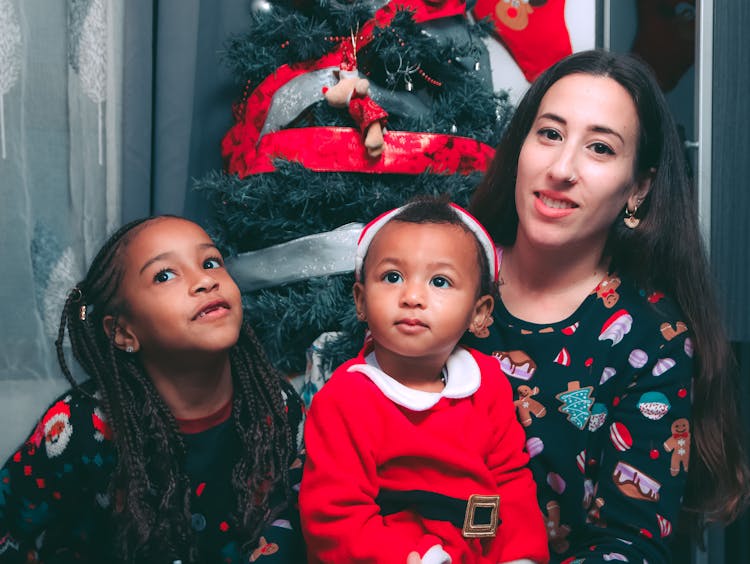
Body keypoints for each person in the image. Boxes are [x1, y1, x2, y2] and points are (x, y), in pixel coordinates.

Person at [464, 49, 750, 562]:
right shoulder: (445, 274)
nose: (561, 168)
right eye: (549, 134)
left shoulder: (650, 337)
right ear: (521, 147)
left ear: (638, 188)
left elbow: (628, 542)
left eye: (599, 148)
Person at [0, 216, 306, 563]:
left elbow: (299, 520)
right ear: (123, 332)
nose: (205, 280)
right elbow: (9, 517)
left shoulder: (277, 406)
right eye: (164, 275)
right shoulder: (79, 425)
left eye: (210, 262)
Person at [299, 196, 550, 564]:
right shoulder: (346, 399)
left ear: (478, 314)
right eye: (392, 277)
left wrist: (519, 556)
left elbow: (509, 484)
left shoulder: (488, 385)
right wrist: (410, 555)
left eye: (440, 281)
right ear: (361, 302)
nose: (412, 297)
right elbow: (333, 515)